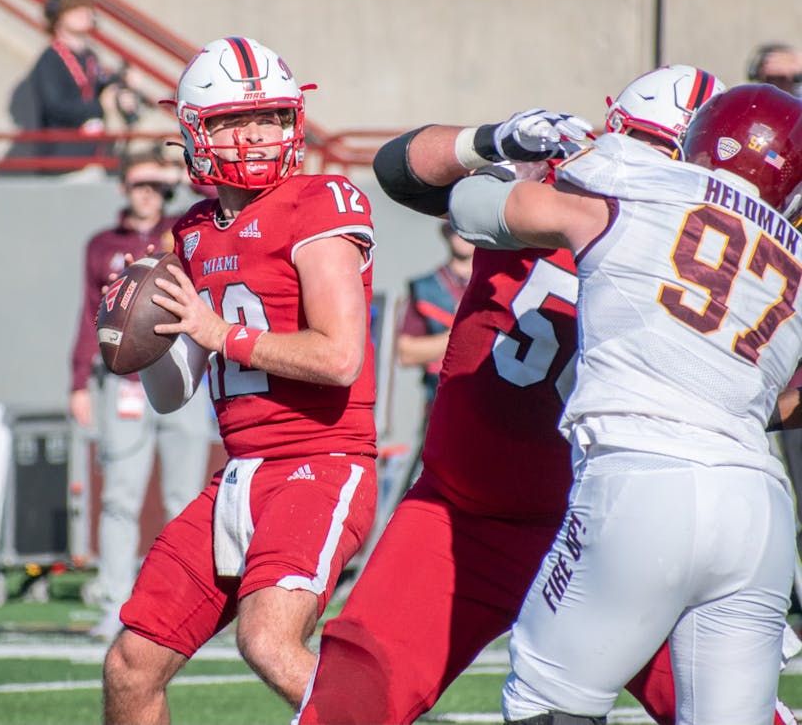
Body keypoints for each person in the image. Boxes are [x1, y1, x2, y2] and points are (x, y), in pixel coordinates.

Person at [298, 67, 798, 725]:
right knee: (353, 691)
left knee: (551, 701)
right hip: (490, 513)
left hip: (611, 507)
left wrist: (497, 148)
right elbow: (401, 173)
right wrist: (491, 139)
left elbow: (422, 183)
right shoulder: (739, 247)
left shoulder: (571, 190)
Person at [442, 83, 802, 723]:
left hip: (641, 478)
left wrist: (515, 161)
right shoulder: (795, 256)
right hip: (758, 507)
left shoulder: (638, 179)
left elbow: (472, 210)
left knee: (546, 702)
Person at [100, 36, 378, 724]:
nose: (255, 134)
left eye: (270, 117)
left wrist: (220, 332)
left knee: (268, 641)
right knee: (132, 665)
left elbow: (340, 356)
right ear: (195, 132)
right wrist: (141, 333)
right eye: (233, 120)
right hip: (240, 475)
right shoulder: (193, 230)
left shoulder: (320, 202)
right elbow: (175, 392)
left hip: (321, 463)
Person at [69, 148, 212, 641]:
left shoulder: (189, 227)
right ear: (123, 187)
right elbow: (91, 313)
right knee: (119, 497)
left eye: (156, 185)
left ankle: (185, 603)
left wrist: (179, 175)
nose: (148, 194)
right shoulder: (102, 244)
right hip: (125, 383)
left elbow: (217, 195)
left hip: (183, 375)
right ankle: (115, 602)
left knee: (184, 500)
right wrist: (78, 381)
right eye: (139, 184)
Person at [30, 0, 144, 173]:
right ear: (58, 17)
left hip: (91, 154)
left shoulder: (89, 56)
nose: (85, 13)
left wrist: (122, 86)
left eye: (87, 8)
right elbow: (56, 106)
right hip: (64, 161)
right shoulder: (50, 59)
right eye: (74, 8)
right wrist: (100, 105)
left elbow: (98, 84)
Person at [395, 218, 474, 422]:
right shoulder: (424, 288)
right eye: (456, 226)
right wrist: (466, 334)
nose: (463, 234)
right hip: (439, 405)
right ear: (444, 231)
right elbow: (405, 353)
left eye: (470, 226)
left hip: (486, 403)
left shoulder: (497, 287)